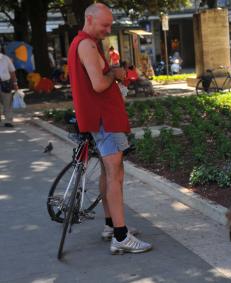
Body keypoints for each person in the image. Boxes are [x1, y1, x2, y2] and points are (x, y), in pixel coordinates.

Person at [67, 3, 152, 254]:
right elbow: (98, 85)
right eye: (105, 25)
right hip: (104, 119)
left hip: (100, 118)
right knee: (116, 175)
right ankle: (121, 236)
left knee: (108, 172)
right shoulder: (87, 45)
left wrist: (111, 72)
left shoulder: (81, 43)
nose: (108, 29)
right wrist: (114, 74)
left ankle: (110, 225)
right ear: (90, 19)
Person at [0, 50, 19, 127]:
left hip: (5, 83)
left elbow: (12, 72)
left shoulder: (5, 58)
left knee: (7, 102)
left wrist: (15, 84)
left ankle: (8, 120)